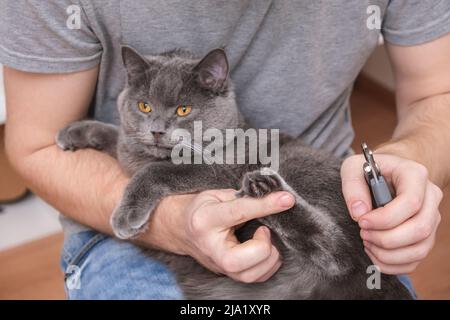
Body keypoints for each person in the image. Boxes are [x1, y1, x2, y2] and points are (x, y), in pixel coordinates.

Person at [1, 1, 448, 299]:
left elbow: (437, 95)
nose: (155, 129)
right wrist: (167, 218)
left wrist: (409, 163)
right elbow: (37, 144)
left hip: (323, 199)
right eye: (142, 109)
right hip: (117, 224)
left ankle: (321, 244)